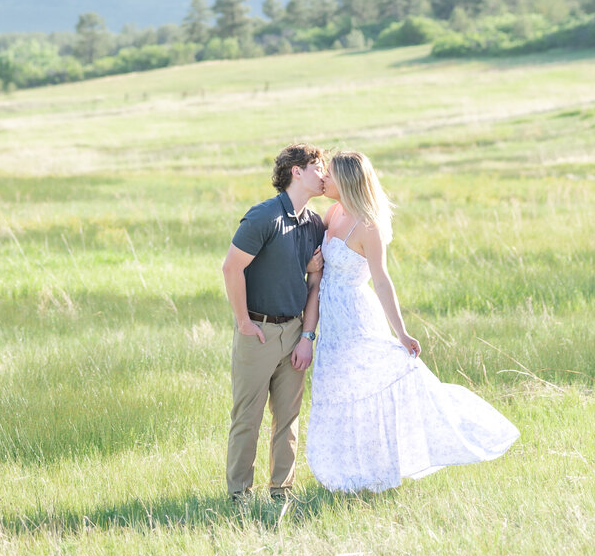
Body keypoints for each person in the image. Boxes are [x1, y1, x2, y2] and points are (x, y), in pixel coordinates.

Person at [306, 149, 519, 494]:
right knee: (336, 387)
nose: (323, 179)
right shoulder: (332, 212)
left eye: (329, 174)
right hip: (331, 319)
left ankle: (374, 472)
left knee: (369, 387)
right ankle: (343, 473)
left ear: (345, 180)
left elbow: (382, 280)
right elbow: (320, 265)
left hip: (358, 315)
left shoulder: (368, 226)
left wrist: (402, 332)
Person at [221, 142, 326, 507]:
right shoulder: (264, 216)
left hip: (295, 332)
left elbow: (315, 283)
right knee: (246, 418)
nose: (324, 174)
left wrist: (306, 337)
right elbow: (231, 268)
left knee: (288, 419)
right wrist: (244, 323)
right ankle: (239, 496)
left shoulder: (314, 222)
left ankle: (282, 492)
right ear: (297, 171)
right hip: (258, 332)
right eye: (318, 167)